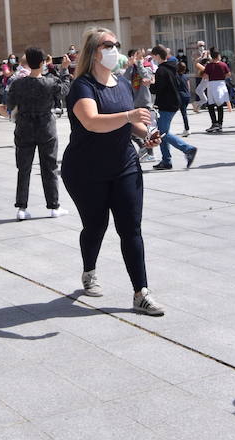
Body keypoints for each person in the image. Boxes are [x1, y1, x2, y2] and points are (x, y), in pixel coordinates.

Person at [61, 27, 164, 316]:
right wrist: (130, 116)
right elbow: (92, 121)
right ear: (94, 51)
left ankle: (140, 292)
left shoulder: (120, 83)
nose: (114, 49)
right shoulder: (82, 86)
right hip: (86, 170)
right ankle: (89, 271)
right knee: (96, 226)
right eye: (108, 45)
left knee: (131, 228)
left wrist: (146, 134)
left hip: (125, 166)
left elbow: (129, 123)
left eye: (116, 44)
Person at [4, 47, 71, 219]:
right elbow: (64, 89)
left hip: (24, 127)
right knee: (49, 167)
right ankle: (54, 206)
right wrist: (63, 69)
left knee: (23, 168)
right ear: (42, 63)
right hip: (46, 127)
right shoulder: (50, 82)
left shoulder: (18, 84)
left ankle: (21, 208)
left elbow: (9, 103)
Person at [148, 45, 197, 171]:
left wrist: (151, 83)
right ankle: (166, 161)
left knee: (162, 133)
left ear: (157, 56)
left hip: (166, 104)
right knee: (162, 131)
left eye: (153, 56)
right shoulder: (171, 68)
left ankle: (187, 149)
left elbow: (158, 89)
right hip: (173, 103)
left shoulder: (161, 70)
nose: (153, 59)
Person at [201, 49, 231, 132]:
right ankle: (220, 124)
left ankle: (214, 123)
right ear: (218, 57)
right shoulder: (223, 64)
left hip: (211, 85)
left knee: (211, 104)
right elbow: (228, 74)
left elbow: (205, 76)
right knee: (220, 105)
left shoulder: (209, 66)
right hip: (221, 84)